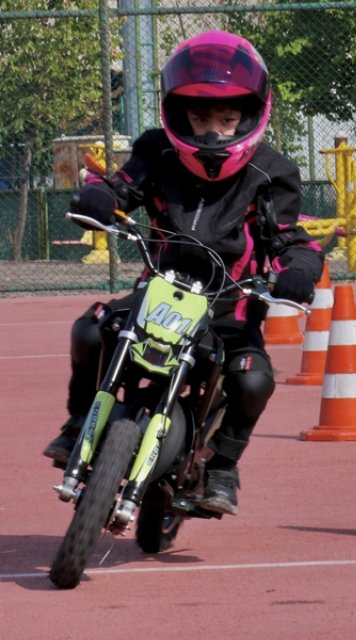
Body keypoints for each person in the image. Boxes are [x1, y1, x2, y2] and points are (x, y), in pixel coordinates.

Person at [44, 30, 324, 516]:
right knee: (90, 329)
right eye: (198, 117)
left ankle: (223, 467)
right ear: (176, 111)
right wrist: (101, 198)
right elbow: (122, 187)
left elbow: (288, 237)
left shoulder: (272, 172)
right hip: (156, 292)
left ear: (253, 113)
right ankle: (77, 425)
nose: (212, 132)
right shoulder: (157, 150)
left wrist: (298, 268)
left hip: (229, 307)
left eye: (227, 117)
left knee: (254, 379)